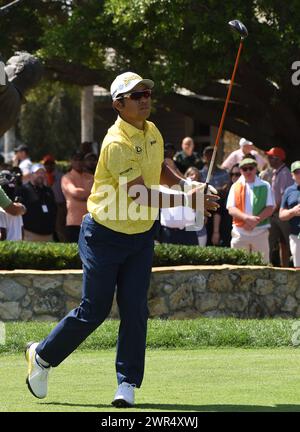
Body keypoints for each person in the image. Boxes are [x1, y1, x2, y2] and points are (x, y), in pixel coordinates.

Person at [24, 71, 219, 408]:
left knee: (135, 310)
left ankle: (127, 383)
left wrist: (187, 187)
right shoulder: (116, 142)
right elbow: (140, 194)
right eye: (137, 95)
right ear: (118, 104)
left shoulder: (153, 130)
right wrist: (190, 200)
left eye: (147, 93)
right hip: (103, 236)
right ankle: (42, 356)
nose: (145, 99)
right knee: (94, 310)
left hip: (140, 237)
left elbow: (160, 169)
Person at [226, 158, 275, 263]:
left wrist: (254, 222)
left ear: (255, 169)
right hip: (240, 232)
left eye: (250, 168)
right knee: (238, 266)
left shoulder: (265, 185)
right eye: (244, 169)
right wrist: (247, 218)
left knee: (262, 265)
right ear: (241, 171)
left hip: (260, 232)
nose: (248, 171)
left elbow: (270, 208)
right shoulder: (235, 186)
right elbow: (231, 208)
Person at [159, 167, 207, 246]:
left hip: (189, 232)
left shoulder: (193, 187)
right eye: (191, 174)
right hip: (167, 232)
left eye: (196, 176)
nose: (194, 176)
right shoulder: (163, 185)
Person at [266, 147, 294, 267]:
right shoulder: (276, 172)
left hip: (283, 214)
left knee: (289, 243)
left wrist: (270, 212)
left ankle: (290, 269)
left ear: (277, 159)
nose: (268, 159)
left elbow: (282, 198)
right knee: (273, 243)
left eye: (270, 157)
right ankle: (273, 268)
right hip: (275, 214)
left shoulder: (284, 173)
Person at [18, 164, 57, 242]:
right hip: (30, 234)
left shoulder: (48, 191)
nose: (40, 175)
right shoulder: (24, 190)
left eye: (43, 173)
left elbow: (54, 209)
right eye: (37, 173)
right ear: (31, 174)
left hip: (48, 235)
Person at [61, 151, 94, 243]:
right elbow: (75, 193)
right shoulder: (66, 178)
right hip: (73, 222)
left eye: (80, 160)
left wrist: (85, 195)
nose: (78, 162)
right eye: (75, 160)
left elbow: (99, 193)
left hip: (91, 221)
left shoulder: (91, 177)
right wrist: (90, 193)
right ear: (71, 161)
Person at [279, 161, 300, 268]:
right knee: (298, 269)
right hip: (296, 235)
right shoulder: (289, 191)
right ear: (292, 175)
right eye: (297, 172)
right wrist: (293, 211)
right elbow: (281, 215)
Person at [42, 154, 67, 242]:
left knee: (59, 227)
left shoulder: (61, 176)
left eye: (51, 163)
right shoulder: (41, 175)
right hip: (47, 206)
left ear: (54, 164)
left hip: (59, 205)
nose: (49, 166)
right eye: (46, 164)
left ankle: (63, 245)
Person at [0, 168, 23, 240]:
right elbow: (22, 232)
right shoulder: (18, 209)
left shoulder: (1, 211)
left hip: (7, 248)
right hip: (18, 246)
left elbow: (2, 235)